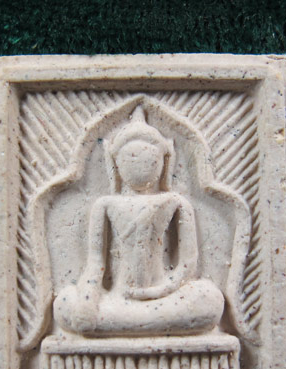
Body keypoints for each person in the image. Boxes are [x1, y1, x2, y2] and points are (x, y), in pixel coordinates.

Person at [54, 107, 224, 336]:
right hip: (118, 298)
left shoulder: (176, 203)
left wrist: (158, 291)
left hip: (163, 297)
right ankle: (145, 326)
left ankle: (123, 327)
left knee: (209, 299)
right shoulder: (105, 205)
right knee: (65, 304)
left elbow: (187, 266)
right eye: (130, 158)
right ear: (115, 164)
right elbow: (94, 266)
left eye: (150, 159)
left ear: (164, 162)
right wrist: (87, 298)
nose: (140, 165)